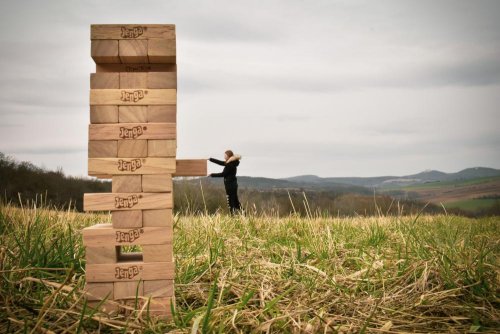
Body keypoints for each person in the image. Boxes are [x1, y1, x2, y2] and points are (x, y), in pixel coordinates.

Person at [208, 150, 242, 215]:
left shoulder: (230, 164)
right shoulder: (231, 162)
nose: (224, 157)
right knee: (235, 201)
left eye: (225, 155)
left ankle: (233, 216)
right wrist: (210, 159)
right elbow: (220, 162)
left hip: (230, 186)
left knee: (231, 202)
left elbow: (223, 174)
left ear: (228, 156)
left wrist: (212, 175)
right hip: (233, 185)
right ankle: (243, 214)